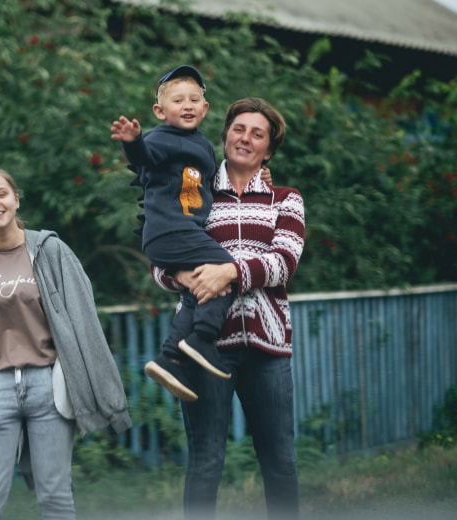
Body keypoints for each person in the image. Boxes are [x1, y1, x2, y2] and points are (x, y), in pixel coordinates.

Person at [0, 167, 132, 520]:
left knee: (55, 496)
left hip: (49, 387)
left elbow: (82, 314)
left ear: (16, 199)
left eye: (1, 194)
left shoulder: (49, 250)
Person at [152, 98, 305, 520]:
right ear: (224, 136)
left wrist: (229, 272)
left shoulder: (285, 200)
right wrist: (188, 278)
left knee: (280, 460)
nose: (246, 138)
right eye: (239, 129)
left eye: (258, 134)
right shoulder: (192, 191)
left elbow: (283, 263)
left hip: (268, 347)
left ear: (268, 150)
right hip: (204, 347)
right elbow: (161, 262)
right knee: (205, 461)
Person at [110, 65, 234, 403]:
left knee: (200, 285)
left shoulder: (203, 146)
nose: (187, 105)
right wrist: (133, 142)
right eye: (178, 101)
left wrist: (259, 180)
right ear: (160, 111)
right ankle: (202, 338)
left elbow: (215, 186)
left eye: (194, 100)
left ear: (205, 108)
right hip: (171, 230)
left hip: (181, 232)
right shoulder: (160, 137)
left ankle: (171, 357)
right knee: (228, 271)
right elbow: (145, 158)